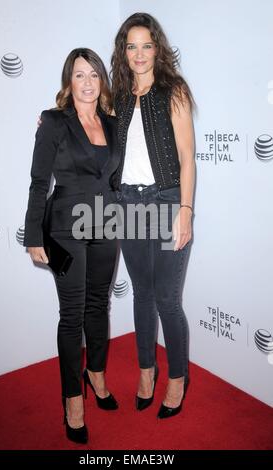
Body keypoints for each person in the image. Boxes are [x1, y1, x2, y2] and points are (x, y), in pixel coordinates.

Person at [24, 48, 120, 444]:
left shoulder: (114, 124)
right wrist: (32, 235)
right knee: (72, 314)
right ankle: (72, 399)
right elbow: (38, 182)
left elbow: (118, 176)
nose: (87, 82)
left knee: (99, 303)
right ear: (69, 81)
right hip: (65, 227)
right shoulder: (53, 121)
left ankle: (95, 374)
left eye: (93, 74)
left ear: (102, 80)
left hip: (108, 224)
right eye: (79, 75)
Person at [111, 12, 195, 419]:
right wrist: (53, 120)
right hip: (127, 205)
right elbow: (83, 116)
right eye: (132, 45)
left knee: (166, 298)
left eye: (146, 45)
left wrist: (186, 211)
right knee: (141, 294)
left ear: (157, 49)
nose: (139, 53)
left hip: (166, 203)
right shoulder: (119, 95)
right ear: (123, 51)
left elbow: (188, 159)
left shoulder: (173, 90)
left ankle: (177, 377)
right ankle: (147, 372)